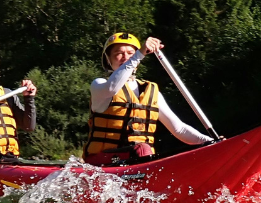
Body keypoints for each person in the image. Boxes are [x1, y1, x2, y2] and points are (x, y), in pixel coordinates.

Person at [83, 32, 214, 166]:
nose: (126, 58)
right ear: (108, 60)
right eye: (119, 53)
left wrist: (210, 142)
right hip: (102, 162)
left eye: (130, 53)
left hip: (138, 160)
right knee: (142, 149)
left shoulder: (151, 91)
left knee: (149, 152)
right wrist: (139, 54)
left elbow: (179, 129)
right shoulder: (99, 85)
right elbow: (112, 88)